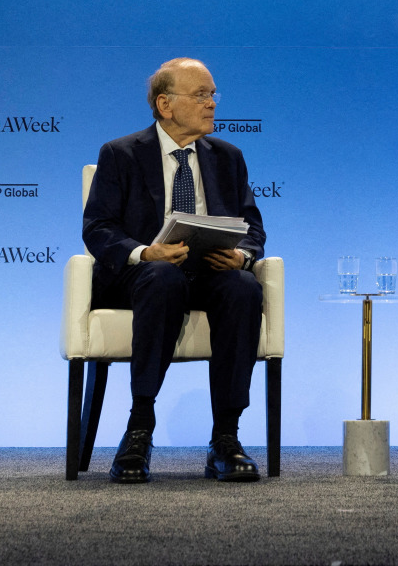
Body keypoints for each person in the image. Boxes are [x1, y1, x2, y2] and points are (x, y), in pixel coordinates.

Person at [82, 57, 267, 483]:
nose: (212, 104)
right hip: (143, 276)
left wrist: (243, 256)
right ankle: (139, 429)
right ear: (165, 105)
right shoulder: (120, 154)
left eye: (213, 94)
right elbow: (98, 227)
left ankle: (226, 438)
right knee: (163, 278)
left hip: (209, 271)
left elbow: (252, 224)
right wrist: (146, 252)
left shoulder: (228, 157)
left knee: (242, 288)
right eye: (201, 95)